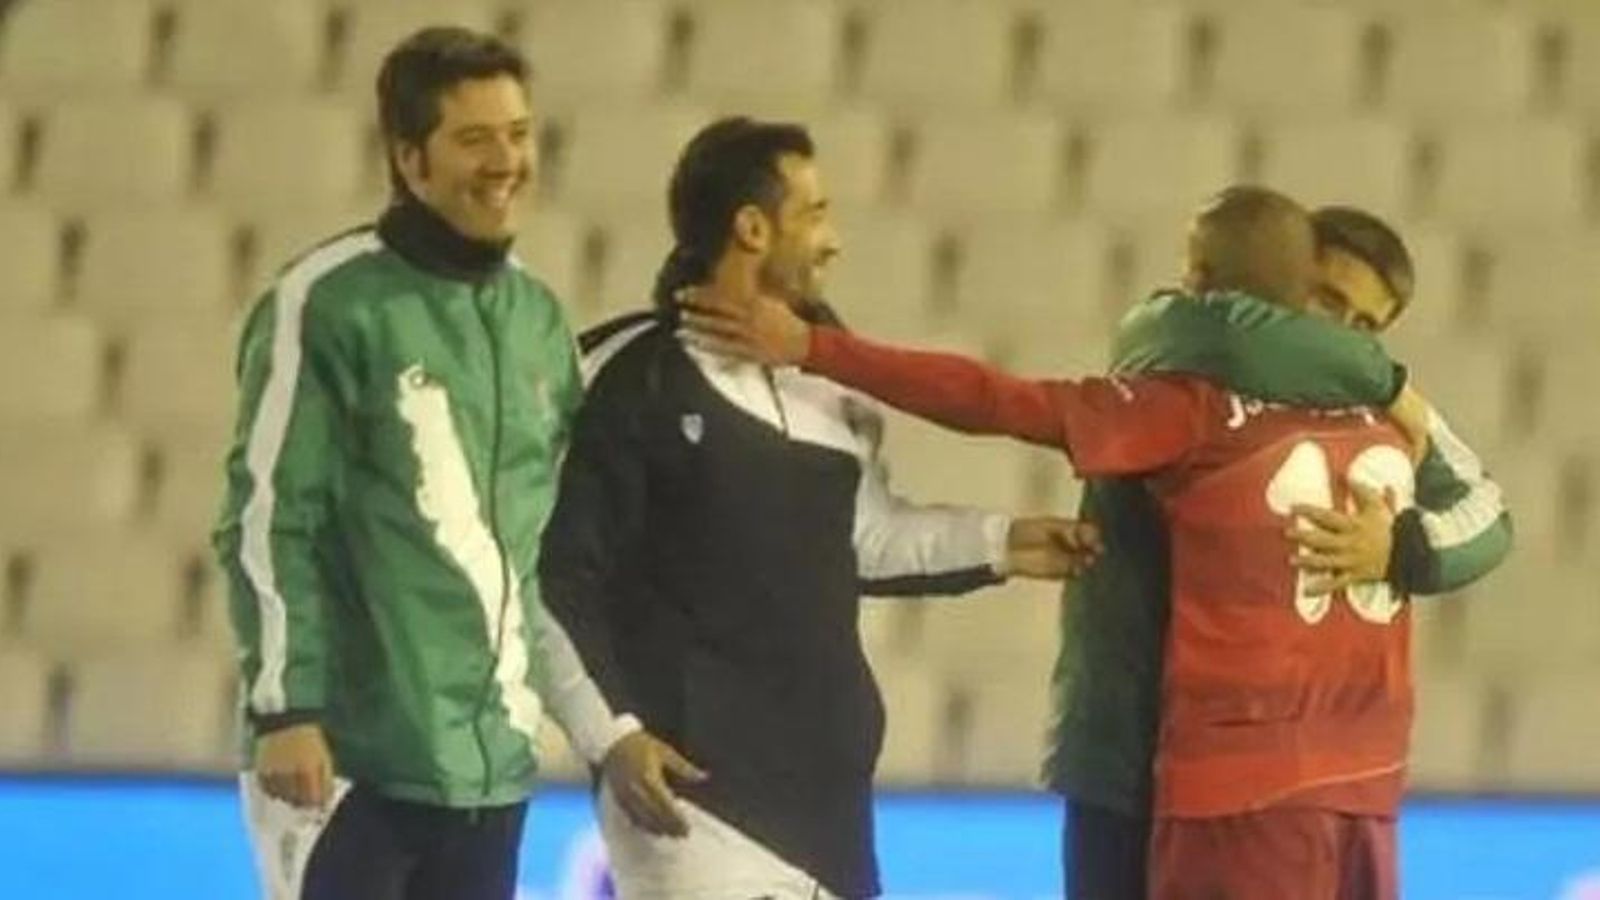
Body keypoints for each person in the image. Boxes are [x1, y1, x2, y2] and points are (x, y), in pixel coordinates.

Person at [685, 195, 1512, 898]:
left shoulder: (1198, 403)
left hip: (1220, 779)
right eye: (1331, 307)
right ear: (1282, 286)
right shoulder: (1369, 415)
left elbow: (998, 400)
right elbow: (1485, 514)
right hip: (1236, 767)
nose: (1348, 341)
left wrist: (816, 347)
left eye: (1369, 327)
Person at [536, 116, 1099, 900]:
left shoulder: (828, 380)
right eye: (817, 212)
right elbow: (555, 575)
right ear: (752, 227)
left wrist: (1004, 543)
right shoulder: (629, 377)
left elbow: (862, 539)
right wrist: (613, 735)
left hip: (831, 818)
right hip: (696, 812)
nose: (833, 239)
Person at [213, 27, 654, 900]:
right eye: (475, 138)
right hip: (349, 760)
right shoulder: (326, 304)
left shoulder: (537, 317)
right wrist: (287, 709)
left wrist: (588, 722)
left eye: (520, 134)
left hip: (490, 771)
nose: (507, 161)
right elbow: (268, 517)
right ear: (410, 160)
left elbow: (546, 553)